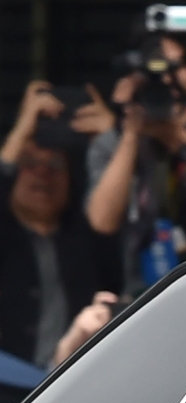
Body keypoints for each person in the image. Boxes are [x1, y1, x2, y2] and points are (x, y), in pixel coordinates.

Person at [86, 26, 186, 296]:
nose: (166, 79)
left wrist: (180, 141)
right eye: (155, 70)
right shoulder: (113, 140)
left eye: (176, 67)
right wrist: (131, 133)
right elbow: (102, 220)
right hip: (144, 296)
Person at [0, 81, 122, 369]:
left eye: (55, 166)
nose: (42, 173)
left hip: (69, 384)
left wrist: (112, 139)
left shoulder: (87, 238)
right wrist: (21, 131)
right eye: (30, 163)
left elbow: (117, 216)